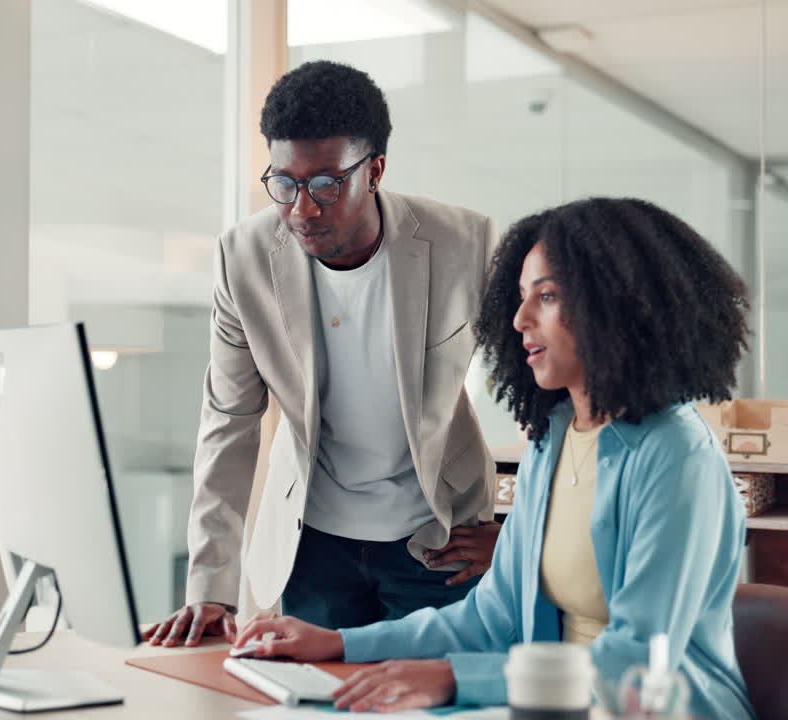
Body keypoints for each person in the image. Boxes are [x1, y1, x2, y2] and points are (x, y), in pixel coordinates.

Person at [233, 197, 756, 720]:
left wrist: (453, 678)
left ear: (616, 302)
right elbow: (491, 616)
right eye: (521, 296)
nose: (520, 318)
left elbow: (637, 662)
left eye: (546, 296)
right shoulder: (553, 439)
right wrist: (338, 643)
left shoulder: (677, 456)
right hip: (549, 701)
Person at [146, 61, 502, 646]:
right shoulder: (243, 258)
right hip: (313, 546)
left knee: (433, 692)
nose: (302, 209)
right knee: (313, 694)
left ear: (374, 170)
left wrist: (518, 536)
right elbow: (229, 422)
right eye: (284, 184)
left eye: (325, 184)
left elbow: (550, 394)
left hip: (439, 540)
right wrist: (211, 586)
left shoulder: (467, 244)